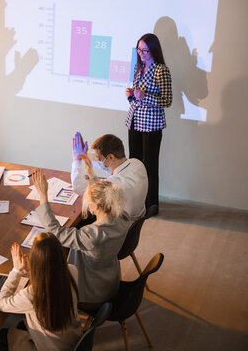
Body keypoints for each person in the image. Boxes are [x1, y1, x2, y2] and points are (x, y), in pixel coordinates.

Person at [32, 170, 131, 305]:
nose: (88, 204)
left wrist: (43, 196)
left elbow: (56, 233)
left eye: (89, 201)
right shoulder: (123, 217)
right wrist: (92, 176)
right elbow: (106, 195)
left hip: (90, 294)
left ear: (95, 205)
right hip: (109, 283)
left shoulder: (92, 235)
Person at [0, 235, 82, 351]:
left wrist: (16, 270)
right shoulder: (72, 270)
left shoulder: (32, 294)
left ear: (35, 260)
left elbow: (0, 304)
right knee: (22, 323)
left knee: (4, 334)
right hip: (73, 341)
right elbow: (50, 274)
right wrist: (29, 270)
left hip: (51, 347)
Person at [125, 33, 172, 213]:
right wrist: (131, 96)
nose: (141, 53)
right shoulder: (139, 68)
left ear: (153, 50)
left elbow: (167, 101)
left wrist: (146, 96)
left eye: (145, 50)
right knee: (134, 163)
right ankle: (136, 202)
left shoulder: (161, 70)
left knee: (150, 165)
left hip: (152, 125)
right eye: (139, 50)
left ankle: (151, 204)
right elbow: (138, 100)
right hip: (135, 122)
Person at [71, 132, 148, 224]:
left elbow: (78, 187)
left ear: (111, 157)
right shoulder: (137, 163)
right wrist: (85, 155)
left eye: (100, 158)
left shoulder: (114, 185)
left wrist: (76, 161)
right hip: (134, 218)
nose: (99, 161)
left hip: (118, 226)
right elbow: (105, 167)